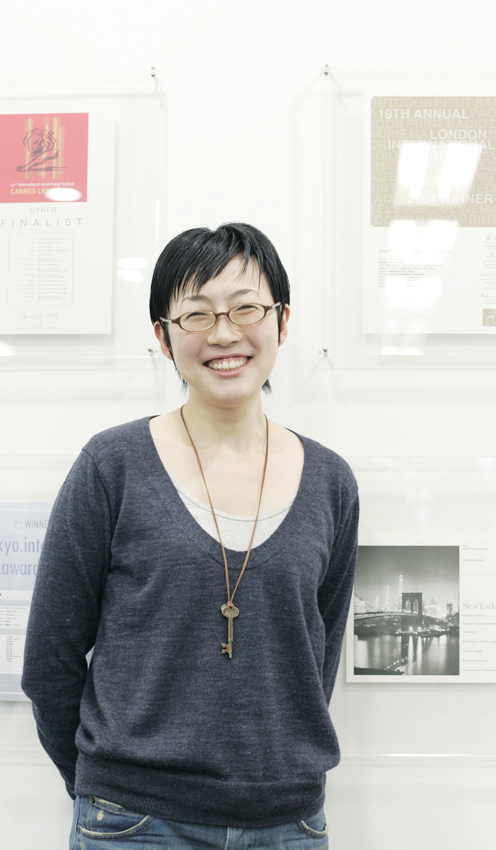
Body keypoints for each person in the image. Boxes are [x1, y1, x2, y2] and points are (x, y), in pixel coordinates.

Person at [21, 223, 359, 850]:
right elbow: (49, 660)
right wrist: (102, 786)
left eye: (246, 308)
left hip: (289, 823)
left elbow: (319, 658)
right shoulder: (112, 465)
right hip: (133, 822)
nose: (224, 334)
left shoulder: (331, 481)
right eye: (196, 315)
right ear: (163, 337)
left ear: (282, 321)